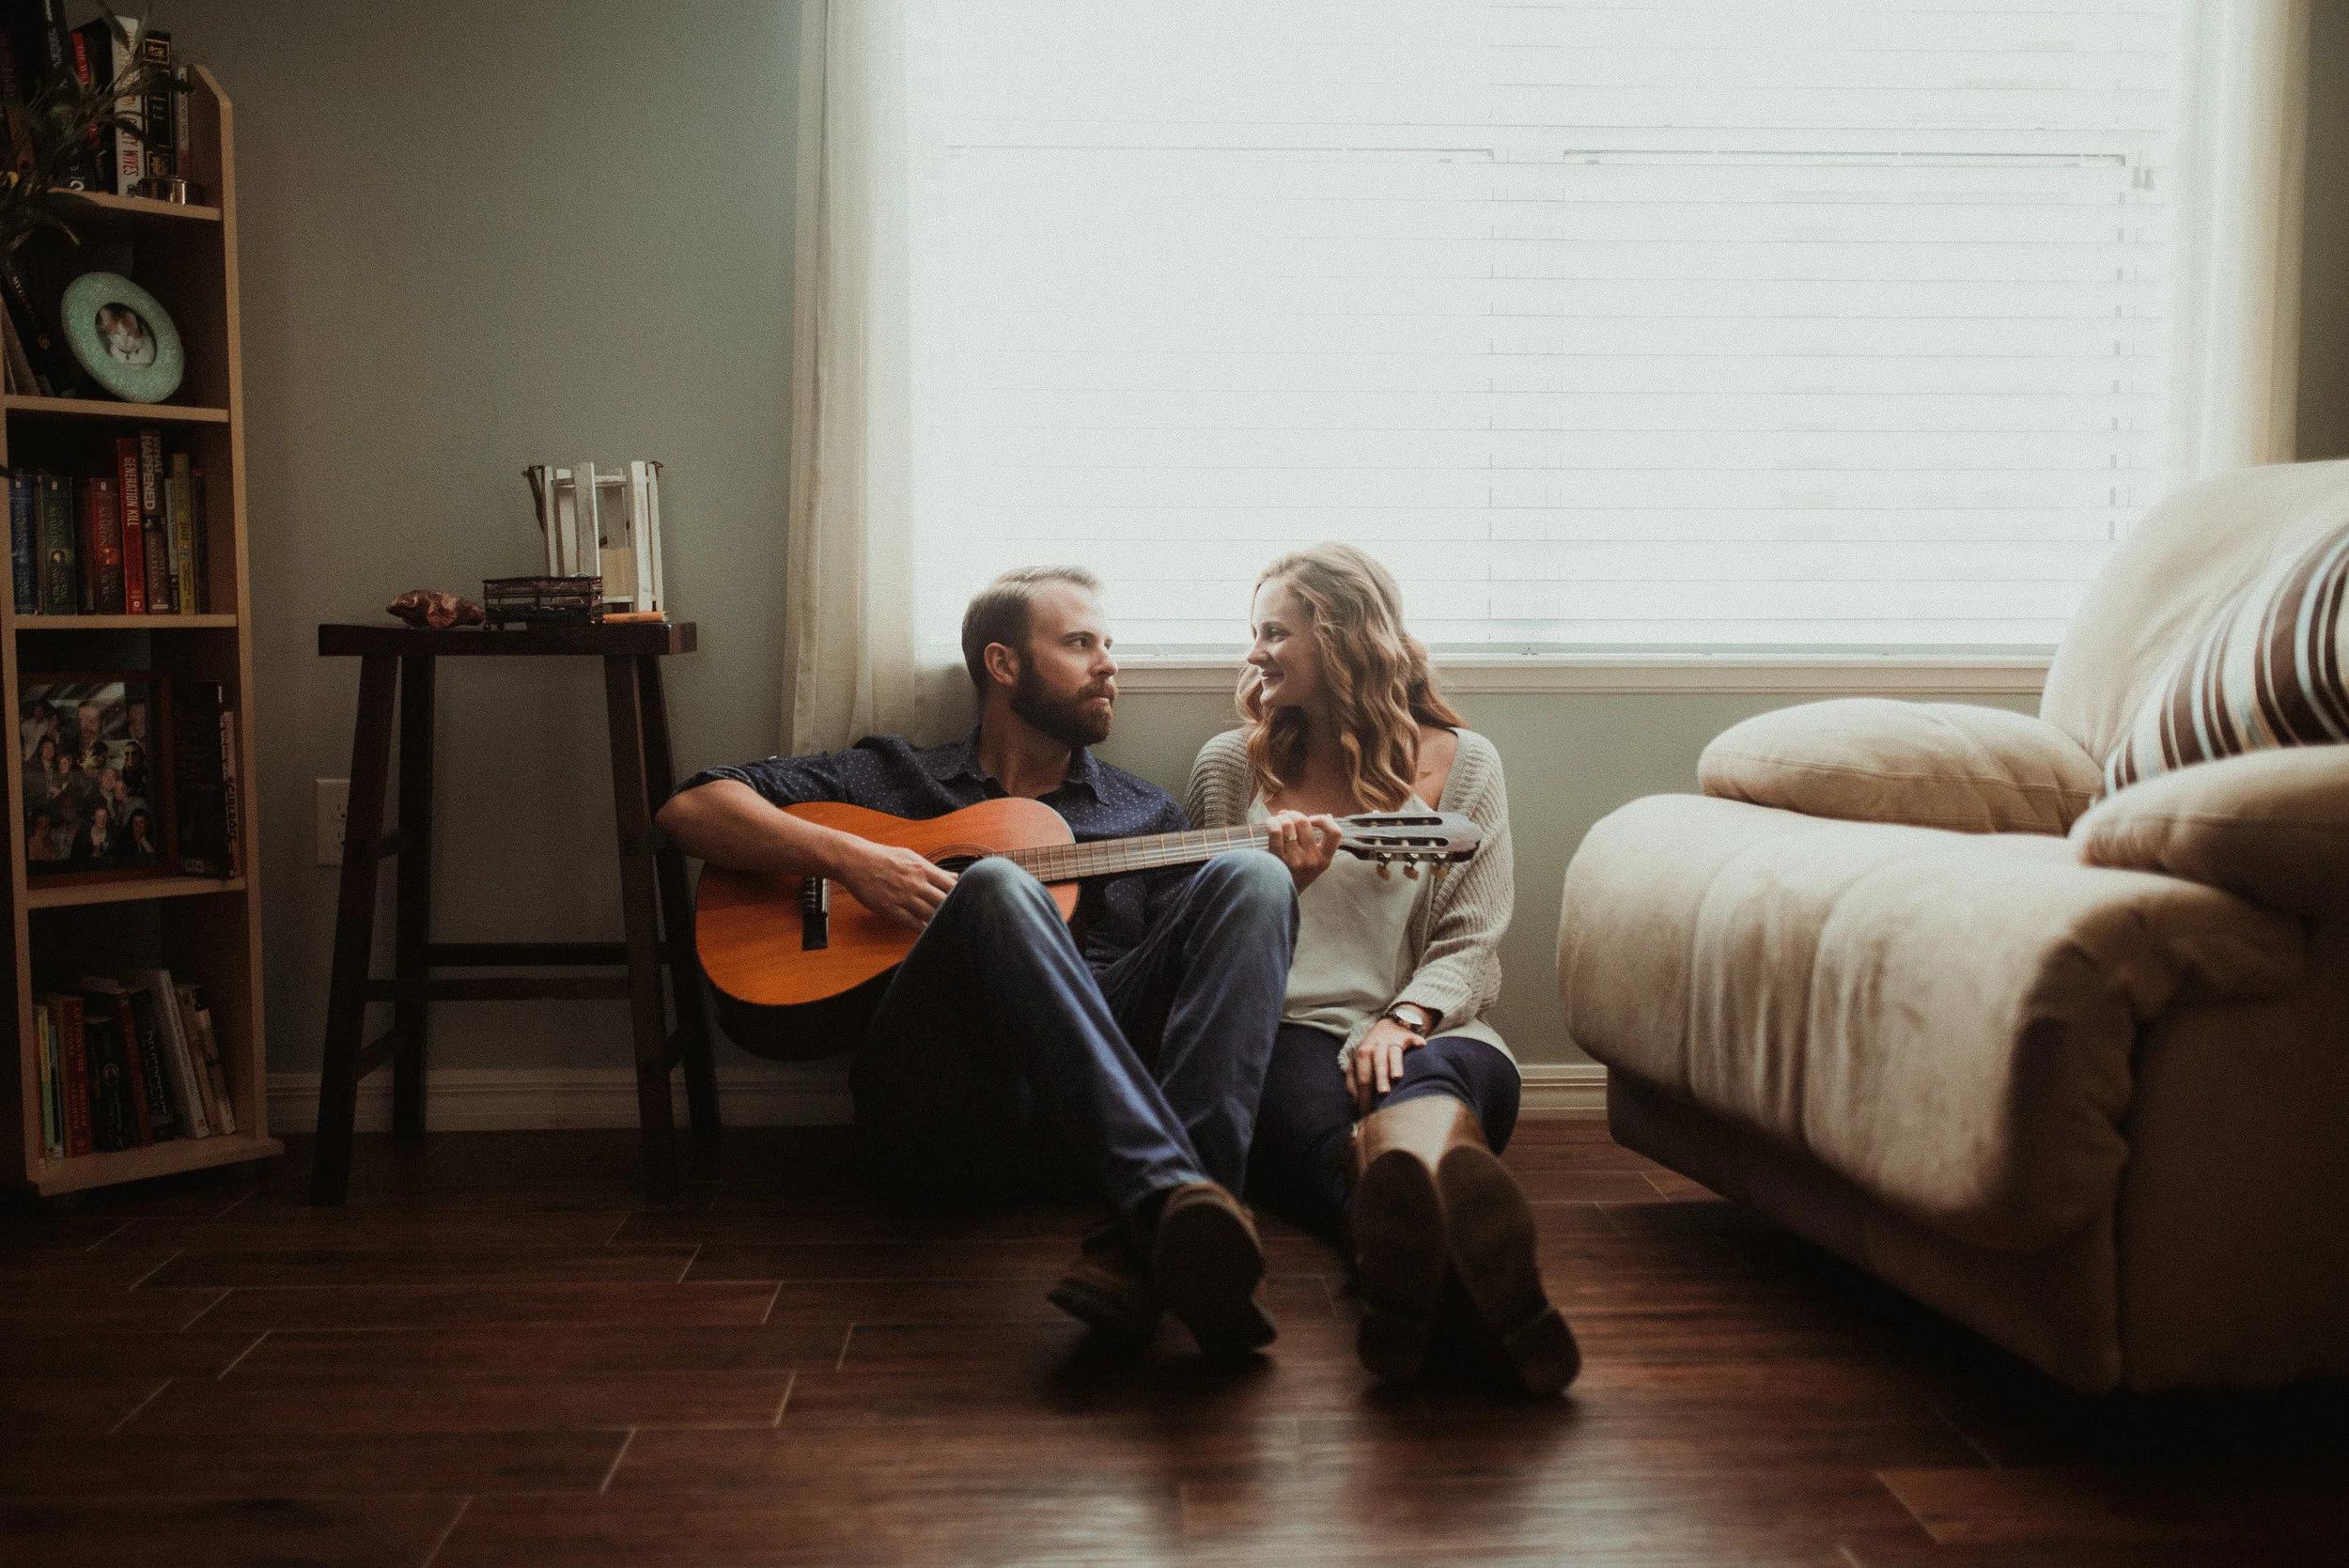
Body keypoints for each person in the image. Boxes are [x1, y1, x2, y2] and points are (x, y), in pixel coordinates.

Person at [656, 566, 1299, 1356]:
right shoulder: (894, 775)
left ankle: (1169, 1227)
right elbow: (690, 808)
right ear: (1003, 664)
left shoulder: (1144, 812)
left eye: (1109, 644)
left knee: (1257, 874)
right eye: (1079, 643)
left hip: (1083, 1146)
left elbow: (1194, 992)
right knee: (993, 884)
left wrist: (1290, 875)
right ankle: (1167, 1204)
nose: (1109, 663)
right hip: (948, 1120)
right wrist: (854, 859)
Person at [1188, 543, 1578, 1395]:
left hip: (1437, 1028)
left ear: (1342, 634)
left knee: (1427, 1097)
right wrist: (1277, 885)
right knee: (1337, 1148)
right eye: (1254, 633)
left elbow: (1472, 940)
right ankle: (1477, 1292)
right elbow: (1205, 944)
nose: (1254, 653)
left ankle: (1410, 1279)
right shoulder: (1230, 767)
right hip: (1286, 1030)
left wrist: (1404, 1020)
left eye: (1274, 632)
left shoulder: (1466, 763)